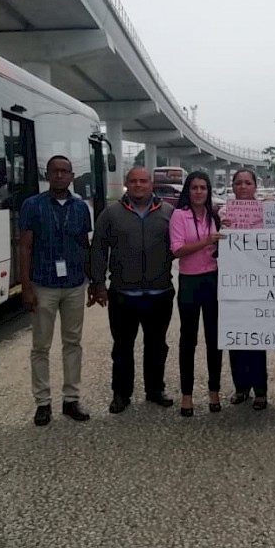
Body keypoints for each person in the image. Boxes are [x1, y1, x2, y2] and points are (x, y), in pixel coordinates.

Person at [89, 167, 175, 414]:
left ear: (151, 184)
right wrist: (98, 284)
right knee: (122, 346)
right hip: (122, 294)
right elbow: (98, 249)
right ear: (127, 184)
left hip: (160, 293)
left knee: (157, 345)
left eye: (143, 181)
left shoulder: (169, 213)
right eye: (134, 181)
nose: (138, 185)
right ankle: (121, 393)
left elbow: (182, 245)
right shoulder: (111, 213)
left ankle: (155, 389)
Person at [19, 155, 92, 427]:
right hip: (43, 284)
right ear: (47, 175)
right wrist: (26, 287)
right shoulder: (32, 206)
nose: (60, 176)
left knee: (73, 343)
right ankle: (42, 403)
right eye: (55, 172)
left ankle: (71, 399)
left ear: (72, 176)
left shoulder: (81, 208)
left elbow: (85, 245)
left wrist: (93, 281)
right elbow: (25, 247)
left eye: (64, 171)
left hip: (74, 284)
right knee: (41, 346)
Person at [169, 171, 225, 417]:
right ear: (188, 191)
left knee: (214, 338)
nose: (199, 192)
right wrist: (206, 241)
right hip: (190, 282)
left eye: (203, 187)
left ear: (209, 190)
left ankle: (214, 391)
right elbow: (177, 250)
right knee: (188, 339)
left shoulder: (216, 215)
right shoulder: (179, 216)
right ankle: (187, 395)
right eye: (194, 188)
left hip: (213, 279)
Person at [220, 168, 269, 410]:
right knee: (236, 336)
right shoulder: (223, 213)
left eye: (247, 183)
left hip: (259, 283)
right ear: (233, 186)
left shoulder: (268, 213)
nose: (242, 187)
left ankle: (260, 390)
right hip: (232, 283)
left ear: (255, 186)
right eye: (238, 183)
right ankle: (241, 388)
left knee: (257, 337)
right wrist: (222, 228)